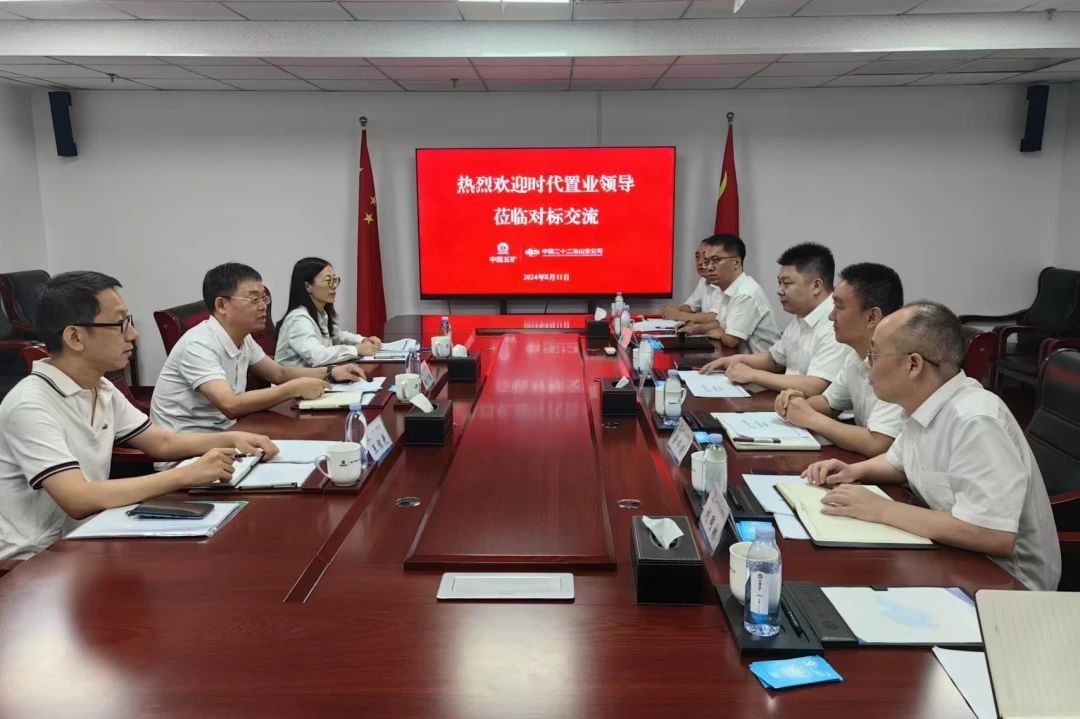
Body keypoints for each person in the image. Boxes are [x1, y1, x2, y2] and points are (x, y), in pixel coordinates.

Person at [0, 271, 278, 560]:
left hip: (88, 537)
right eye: (120, 323)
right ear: (75, 337)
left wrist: (234, 439)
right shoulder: (30, 405)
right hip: (33, 562)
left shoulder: (100, 387)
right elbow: (77, 498)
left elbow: (162, 443)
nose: (133, 334)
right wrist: (185, 475)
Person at [803, 301, 1061, 591]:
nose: (866, 364)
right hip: (954, 556)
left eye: (874, 354)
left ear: (913, 365)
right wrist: (853, 471)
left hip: (1006, 584)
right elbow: (898, 461)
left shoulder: (974, 420)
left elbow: (993, 534)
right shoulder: (924, 403)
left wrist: (881, 509)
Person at [151, 262, 366, 434]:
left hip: (227, 436)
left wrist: (331, 372)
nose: (263, 306)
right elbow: (230, 405)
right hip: (187, 452)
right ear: (221, 305)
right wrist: (293, 389)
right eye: (254, 299)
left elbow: (279, 373)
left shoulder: (243, 338)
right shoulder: (198, 345)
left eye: (264, 298)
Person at [774, 263, 905, 456]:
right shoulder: (856, 355)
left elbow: (878, 443)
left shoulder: (900, 363)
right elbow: (829, 403)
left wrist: (810, 418)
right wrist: (793, 403)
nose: (831, 316)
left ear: (872, 317)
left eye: (839, 307)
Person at [701, 242, 848, 395]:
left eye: (786, 284)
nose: (779, 291)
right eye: (779, 283)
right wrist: (735, 360)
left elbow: (816, 386)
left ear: (816, 286)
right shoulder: (802, 315)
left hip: (810, 406)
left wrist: (753, 375)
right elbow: (775, 360)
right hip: (788, 400)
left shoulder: (835, 323)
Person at [677, 234, 780, 352]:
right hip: (738, 359)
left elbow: (731, 340)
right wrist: (694, 329)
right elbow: (720, 323)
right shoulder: (728, 288)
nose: (709, 267)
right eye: (707, 261)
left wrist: (721, 334)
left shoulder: (745, 293)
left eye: (715, 260)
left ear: (736, 262)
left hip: (760, 362)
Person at [275, 257, 382, 367]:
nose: (334, 286)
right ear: (308, 286)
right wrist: (356, 350)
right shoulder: (298, 319)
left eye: (335, 280)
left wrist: (364, 340)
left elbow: (338, 336)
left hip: (316, 375)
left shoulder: (320, 313)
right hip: (295, 378)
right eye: (328, 281)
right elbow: (317, 356)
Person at [660, 239, 720, 324]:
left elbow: (715, 318)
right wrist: (674, 310)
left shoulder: (725, 283)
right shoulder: (704, 280)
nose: (700, 262)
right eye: (697, 257)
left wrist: (677, 314)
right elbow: (691, 306)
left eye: (705, 257)